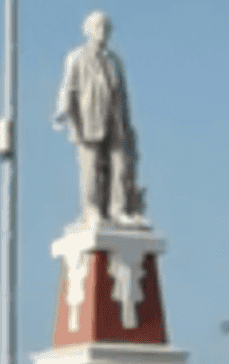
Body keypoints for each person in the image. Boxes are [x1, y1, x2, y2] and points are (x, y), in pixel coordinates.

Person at [53, 10, 147, 227]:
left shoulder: (114, 61)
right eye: (97, 27)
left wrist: (126, 123)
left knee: (120, 164)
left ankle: (118, 209)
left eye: (106, 28)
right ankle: (91, 209)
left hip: (114, 119)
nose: (102, 32)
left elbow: (122, 93)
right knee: (90, 167)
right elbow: (68, 88)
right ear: (87, 31)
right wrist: (67, 117)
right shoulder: (76, 56)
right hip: (88, 120)